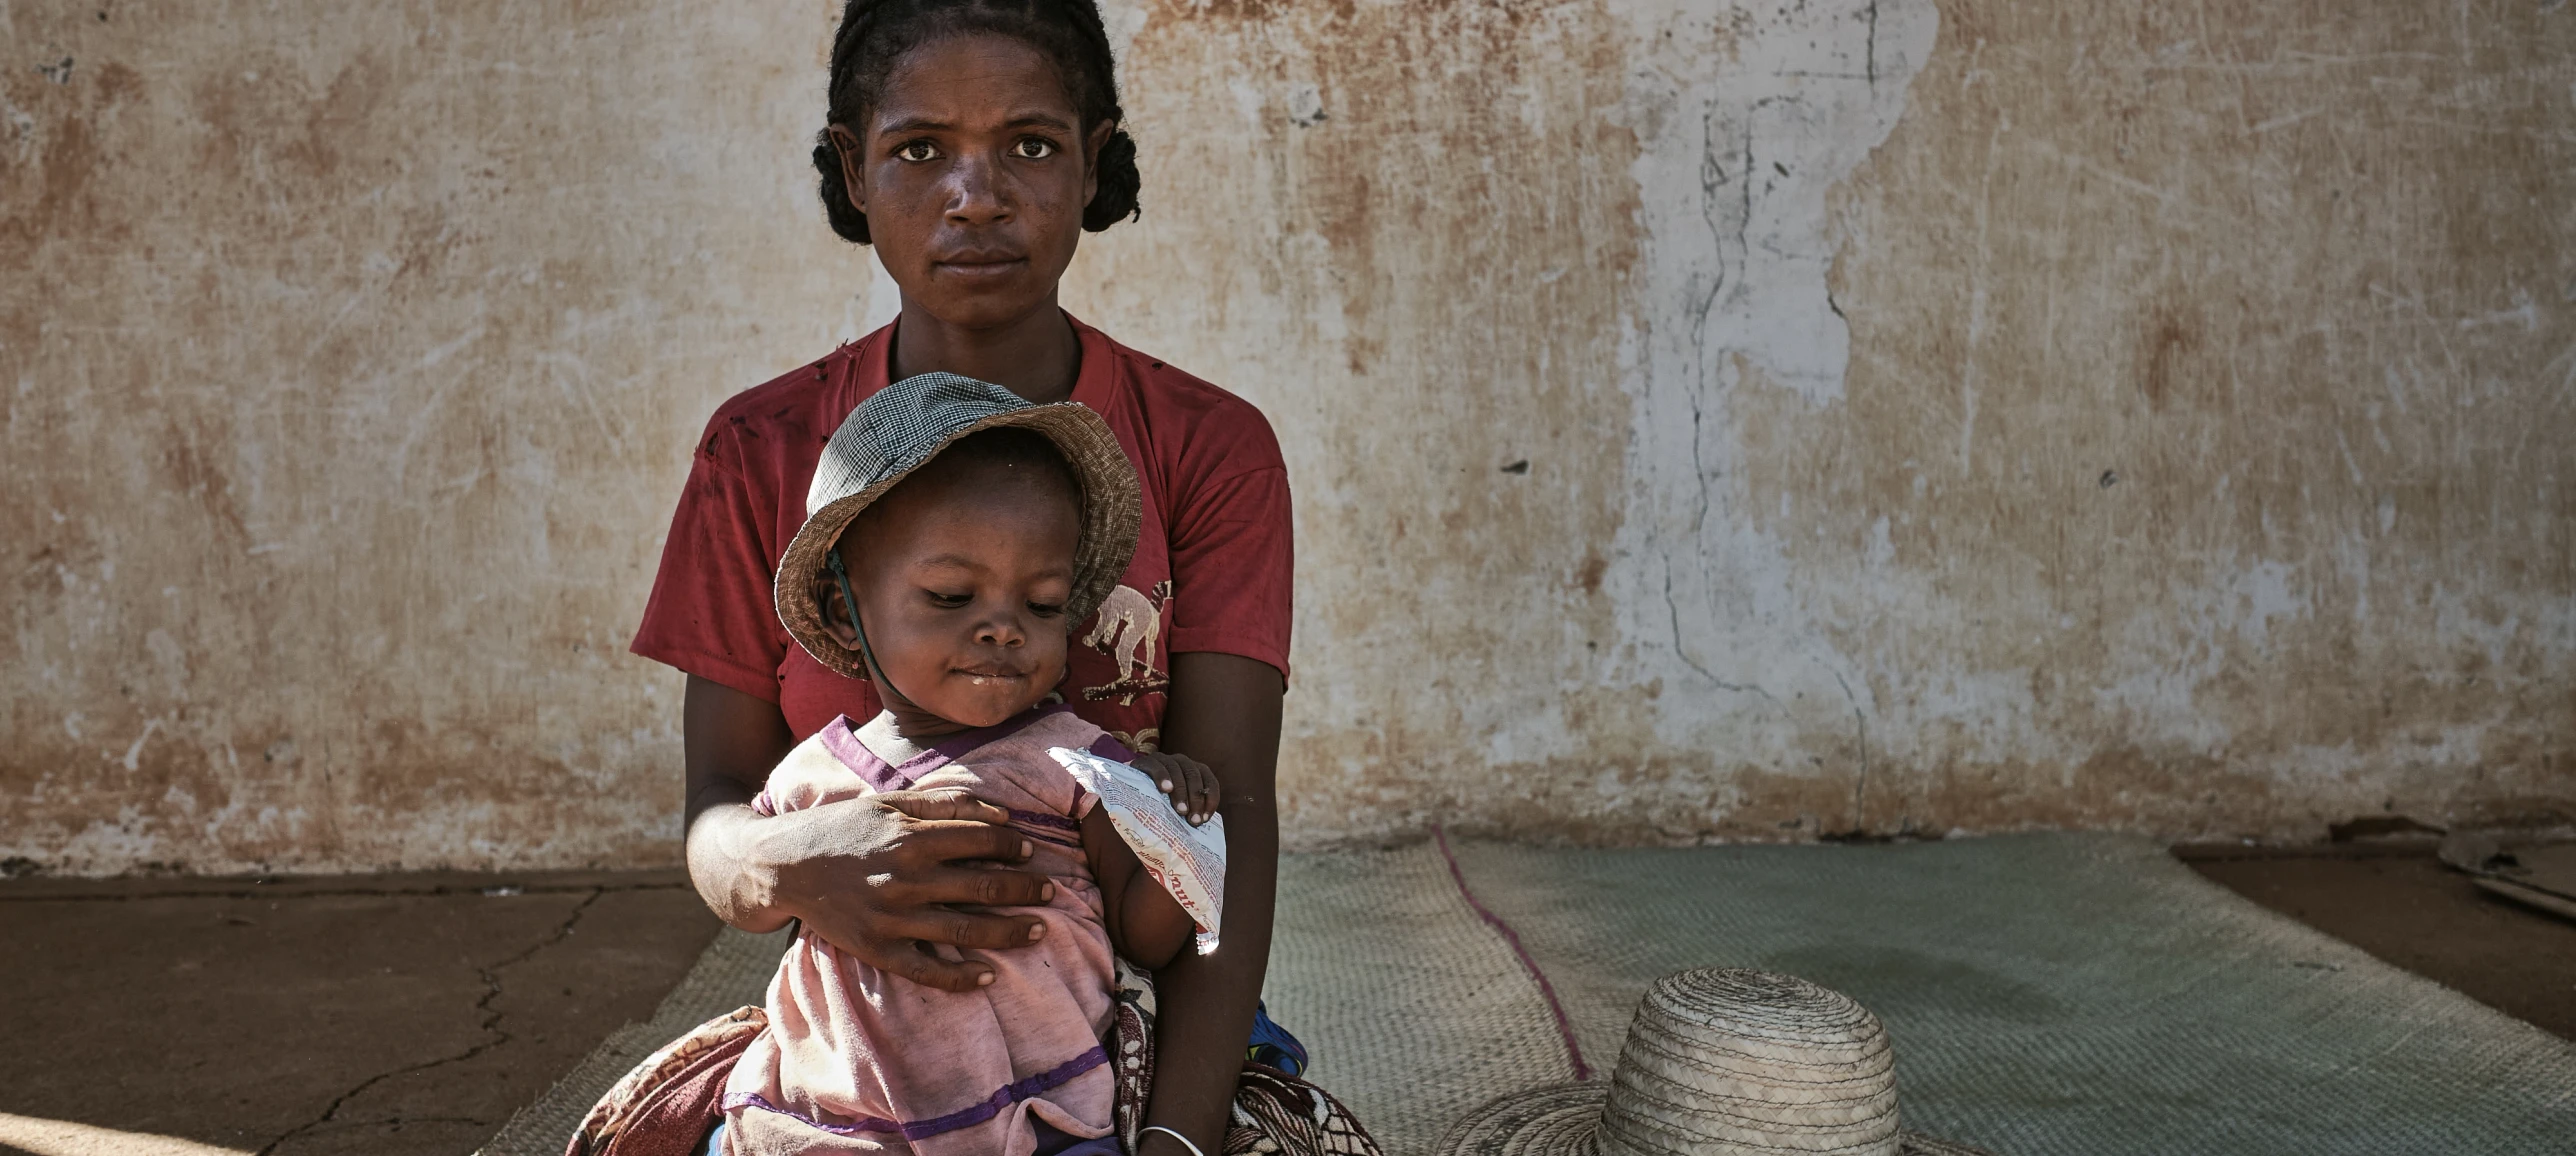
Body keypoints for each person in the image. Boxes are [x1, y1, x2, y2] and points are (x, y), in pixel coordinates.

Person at [630, 3, 1294, 1153]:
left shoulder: (1208, 446)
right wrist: (798, 861)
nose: (975, 194)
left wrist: (1178, 1138)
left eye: (1030, 146)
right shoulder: (760, 451)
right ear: (853, 165)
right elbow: (716, 816)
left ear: (1093, 159)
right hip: (858, 1052)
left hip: (1117, 1039)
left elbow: (1225, 817)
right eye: (919, 148)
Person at [720, 374, 1218, 1156]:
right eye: (952, 596)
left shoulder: (1077, 761)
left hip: (1047, 1114)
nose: (1002, 630)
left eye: (1044, 604)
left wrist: (1176, 834)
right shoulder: (809, 774)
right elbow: (752, 898)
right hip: (838, 1120)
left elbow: (1145, 936)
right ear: (846, 611)